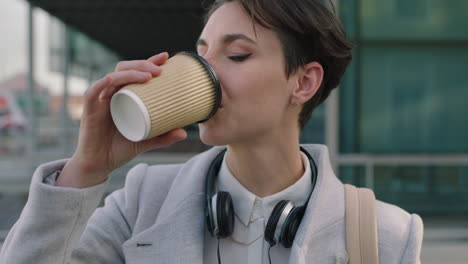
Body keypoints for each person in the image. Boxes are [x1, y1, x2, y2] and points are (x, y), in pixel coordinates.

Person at [0, 0, 423, 263]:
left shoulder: (389, 237)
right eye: (201, 53)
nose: (206, 73)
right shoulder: (143, 201)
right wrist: (86, 168)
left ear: (304, 82)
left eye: (237, 55)